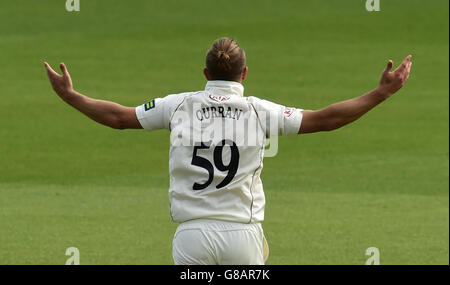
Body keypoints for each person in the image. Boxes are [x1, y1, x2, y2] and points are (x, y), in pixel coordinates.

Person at [44, 38, 412, 265]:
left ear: (204, 73)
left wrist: (71, 96)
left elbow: (119, 118)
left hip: (192, 236)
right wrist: (381, 93)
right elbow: (325, 119)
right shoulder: (258, 110)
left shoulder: (178, 106)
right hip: (243, 236)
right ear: (245, 73)